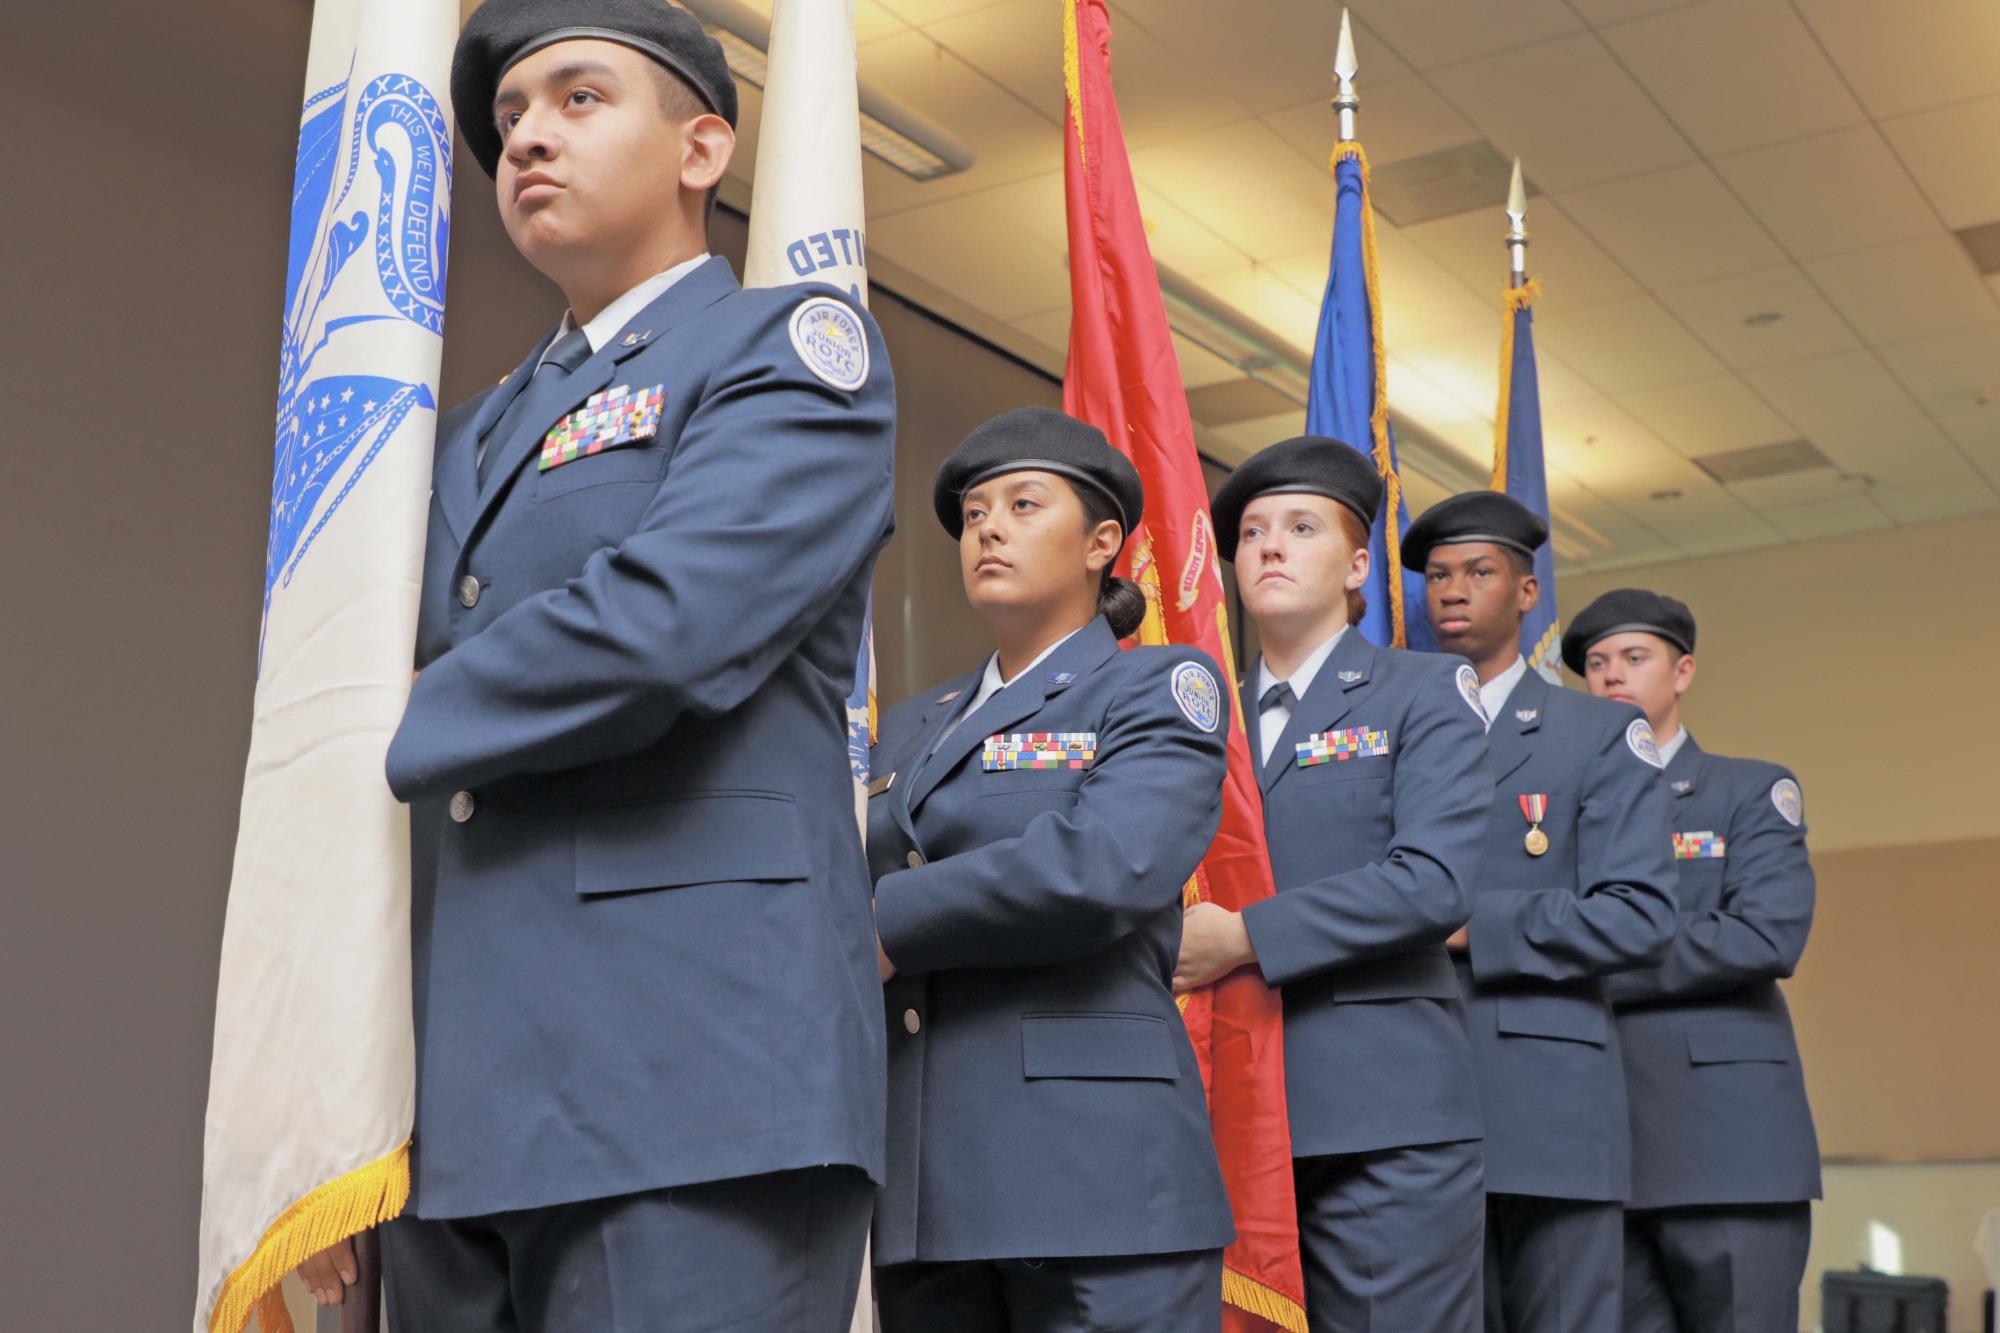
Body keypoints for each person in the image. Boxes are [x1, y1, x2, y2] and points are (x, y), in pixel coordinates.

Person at [299, 2, 898, 1327]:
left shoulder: (788, 353)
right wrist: (318, 1121)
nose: (526, 141)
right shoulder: (450, 439)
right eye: (509, 118)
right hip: (457, 1104)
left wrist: (381, 718)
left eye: (578, 99)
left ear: (701, 147)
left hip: (685, 1080)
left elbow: (666, 624)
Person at [867, 406, 1235, 1332]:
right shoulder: (911, 724)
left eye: (1023, 504)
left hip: (1093, 1178)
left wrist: (882, 921)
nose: (989, 526)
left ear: (1101, 542)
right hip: (924, 1183)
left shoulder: (1158, 687)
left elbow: (1102, 863)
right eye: (976, 512)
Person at [1174, 437, 1492, 1331]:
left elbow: (1433, 881)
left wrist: (1244, 935)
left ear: (1358, 565)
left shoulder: (1425, 691)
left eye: (1301, 527)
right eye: (1250, 533)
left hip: (1377, 1121)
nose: (1269, 546)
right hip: (1224, 1111)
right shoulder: (1203, 717)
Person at [1404, 492, 1678, 1333]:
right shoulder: (1388, 720)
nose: (1453, 590)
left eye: (1480, 572)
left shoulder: (1595, 731)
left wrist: (1466, 924)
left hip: (1544, 1101)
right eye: (1439, 575)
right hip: (1407, 1093)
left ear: (1527, 592)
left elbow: (1638, 915)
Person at [1564, 590, 1820, 1333]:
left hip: (1725, 1149)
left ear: (1683, 672)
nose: (1612, 677)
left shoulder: (1747, 791)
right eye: (1596, 664)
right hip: (1602, 1150)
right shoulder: (1563, 810)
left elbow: (1764, 935)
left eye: (1634, 658)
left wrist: (1588, 951)